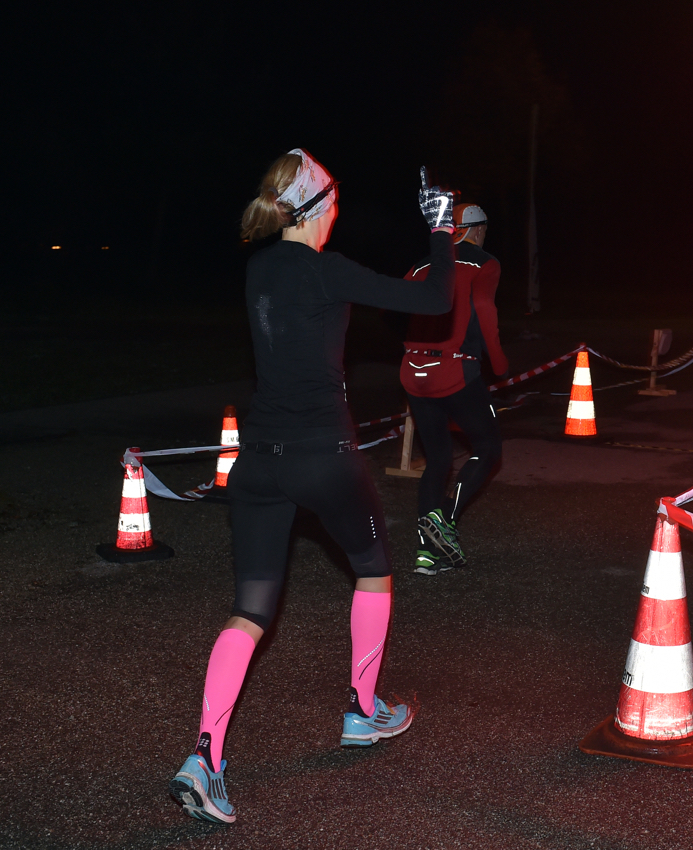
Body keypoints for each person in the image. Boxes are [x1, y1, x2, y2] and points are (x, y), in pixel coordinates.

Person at [168, 150, 456, 824]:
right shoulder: (326, 270)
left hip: (258, 464)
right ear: (321, 207)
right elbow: (436, 299)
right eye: (335, 205)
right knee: (375, 571)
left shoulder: (259, 268)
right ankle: (362, 711)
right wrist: (440, 230)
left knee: (249, 611)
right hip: (324, 456)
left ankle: (204, 758)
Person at [400, 202, 508, 575]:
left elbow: (394, 308)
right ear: (476, 230)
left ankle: (426, 555)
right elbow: (485, 311)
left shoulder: (420, 265)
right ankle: (443, 520)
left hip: (413, 371)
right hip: (455, 371)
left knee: (439, 460)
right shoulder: (485, 262)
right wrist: (500, 364)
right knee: (488, 448)